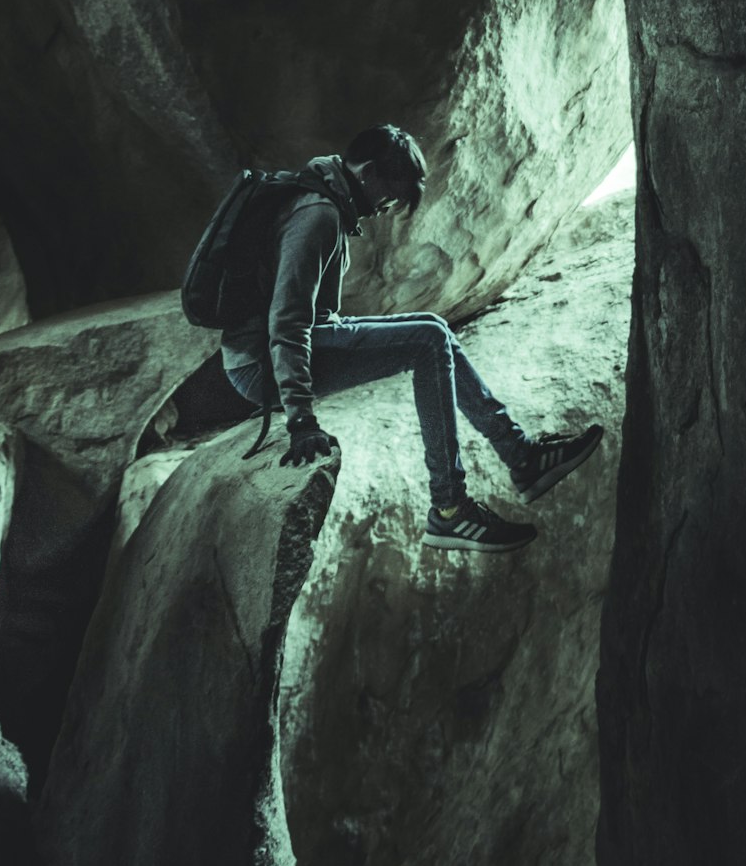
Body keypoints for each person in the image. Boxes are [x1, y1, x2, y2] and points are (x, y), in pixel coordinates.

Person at [221, 124, 602, 553]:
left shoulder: (325, 201)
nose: (387, 207)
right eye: (390, 192)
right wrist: (301, 420)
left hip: (286, 348)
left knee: (433, 331)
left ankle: (520, 457)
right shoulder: (318, 215)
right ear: (366, 171)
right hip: (259, 366)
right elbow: (287, 322)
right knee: (427, 339)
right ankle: (451, 510)